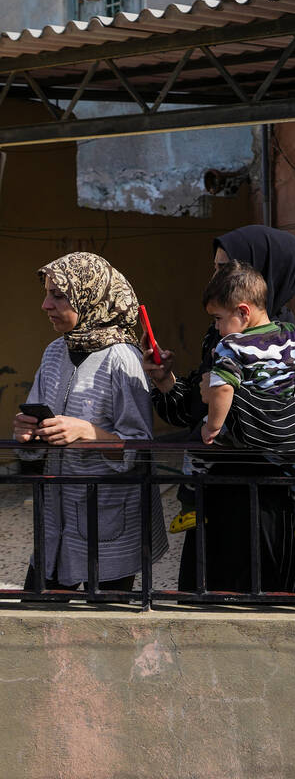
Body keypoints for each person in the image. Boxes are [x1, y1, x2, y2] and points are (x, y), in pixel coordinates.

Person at [141, 225, 295, 593]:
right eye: (215, 268)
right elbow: (192, 411)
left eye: (225, 268)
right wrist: (166, 381)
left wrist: (223, 398)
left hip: (269, 501)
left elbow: (294, 417)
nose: (216, 277)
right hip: (215, 497)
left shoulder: (290, 341)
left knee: (265, 611)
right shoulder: (219, 333)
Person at [12, 252, 166, 592]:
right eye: (47, 293)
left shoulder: (122, 359)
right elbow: (41, 432)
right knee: (39, 619)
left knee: (107, 624)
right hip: (56, 515)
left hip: (109, 519)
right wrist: (29, 434)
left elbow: (138, 447)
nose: (45, 305)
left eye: (58, 295)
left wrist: (87, 432)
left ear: (90, 297)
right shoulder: (54, 352)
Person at [199, 260, 295, 539]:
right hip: (290, 427)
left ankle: (191, 502)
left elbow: (224, 389)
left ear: (243, 312)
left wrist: (212, 427)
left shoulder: (232, 344)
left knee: (197, 452)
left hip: (253, 430)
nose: (217, 327)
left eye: (218, 318)